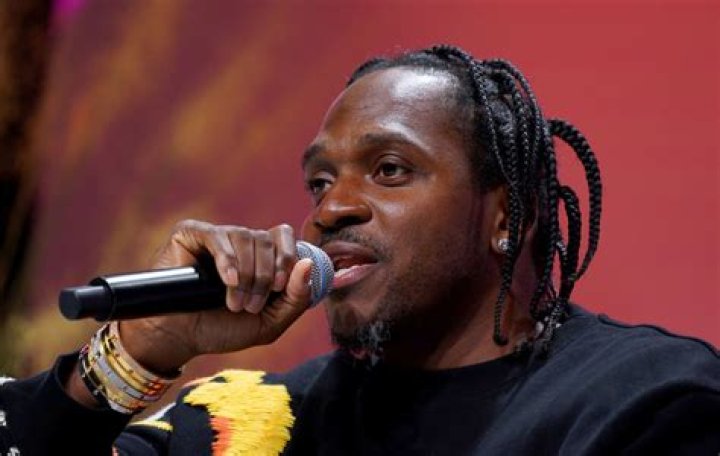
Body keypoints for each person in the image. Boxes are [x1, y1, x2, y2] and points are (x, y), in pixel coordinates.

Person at [1, 45, 718, 455]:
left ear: (508, 215)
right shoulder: (249, 422)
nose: (330, 209)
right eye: (319, 181)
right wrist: (138, 351)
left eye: (390, 170)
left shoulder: (646, 402)